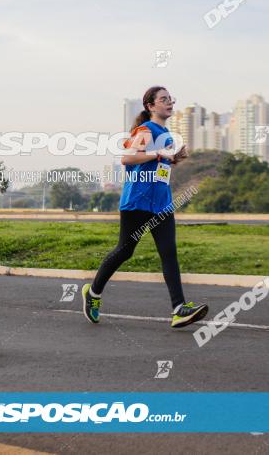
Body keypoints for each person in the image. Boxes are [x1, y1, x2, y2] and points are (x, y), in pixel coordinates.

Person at [83, 86, 208, 328]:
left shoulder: (166, 134)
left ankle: (179, 309)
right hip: (137, 202)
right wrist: (158, 153)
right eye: (163, 99)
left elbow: (159, 165)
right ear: (150, 106)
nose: (169, 102)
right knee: (125, 251)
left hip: (161, 204)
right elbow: (127, 158)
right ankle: (93, 294)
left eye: (171, 99)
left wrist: (174, 158)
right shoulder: (145, 130)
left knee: (169, 253)